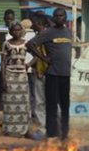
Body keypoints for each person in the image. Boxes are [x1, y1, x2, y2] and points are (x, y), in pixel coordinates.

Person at [27, 8, 72, 140]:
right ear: (53, 18)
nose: (58, 18)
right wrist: (43, 57)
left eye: (61, 15)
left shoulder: (69, 33)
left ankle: (65, 133)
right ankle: (52, 134)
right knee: (51, 106)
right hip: (52, 74)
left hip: (67, 75)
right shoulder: (48, 32)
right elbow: (30, 44)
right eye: (56, 16)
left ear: (65, 18)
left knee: (65, 106)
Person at [1, 21, 30, 137]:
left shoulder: (27, 44)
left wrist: (29, 64)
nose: (16, 32)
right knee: (9, 104)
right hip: (10, 75)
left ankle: (23, 130)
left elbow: (38, 55)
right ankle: (9, 130)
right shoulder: (6, 44)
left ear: (22, 31)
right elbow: (3, 62)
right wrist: (3, 79)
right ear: (10, 31)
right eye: (14, 30)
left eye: (18, 30)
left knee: (23, 104)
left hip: (22, 77)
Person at [28, 13, 48, 135]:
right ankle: (43, 127)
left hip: (48, 72)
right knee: (40, 101)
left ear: (39, 24)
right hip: (40, 71)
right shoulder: (37, 37)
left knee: (46, 101)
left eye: (34, 24)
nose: (32, 27)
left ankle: (50, 127)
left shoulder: (47, 35)